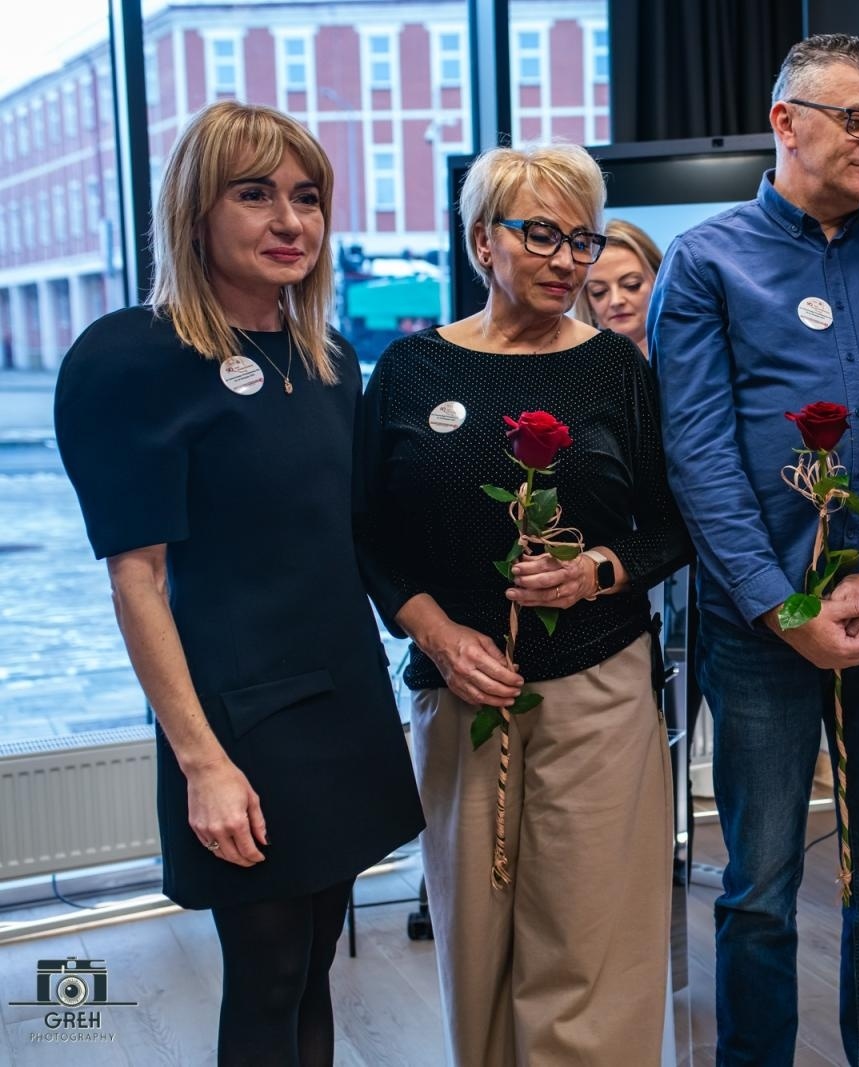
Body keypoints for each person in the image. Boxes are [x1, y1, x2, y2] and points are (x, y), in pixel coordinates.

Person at [52, 100, 424, 1067]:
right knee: (263, 975)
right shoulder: (132, 359)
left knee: (312, 967)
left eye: (307, 198)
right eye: (254, 195)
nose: (289, 221)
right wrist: (201, 761)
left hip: (342, 705)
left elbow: (351, 537)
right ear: (196, 210)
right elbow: (137, 582)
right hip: (238, 721)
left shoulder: (329, 357)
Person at [650, 33, 859, 1066]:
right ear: (786, 120)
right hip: (759, 628)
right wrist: (777, 605)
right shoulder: (706, 261)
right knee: (755, 889)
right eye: (857, 121)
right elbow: (696, 451)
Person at [356, 143, 690, 1065]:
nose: (565, 260)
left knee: (591, 947)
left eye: (580, 239)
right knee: (476, 943)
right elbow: (369, 534)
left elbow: (670, 526)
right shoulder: (411, 372)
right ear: (480, 242)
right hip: (460, 690)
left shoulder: (618, 374)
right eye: (539, 232)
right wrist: (436, 631)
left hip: (597, 689)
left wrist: (599, 573)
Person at [575, 218, 663, 358]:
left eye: (631, 285)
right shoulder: (575, 370)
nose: (616, 301)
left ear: (659, 282)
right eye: (599, 292)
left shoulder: (693, 356)